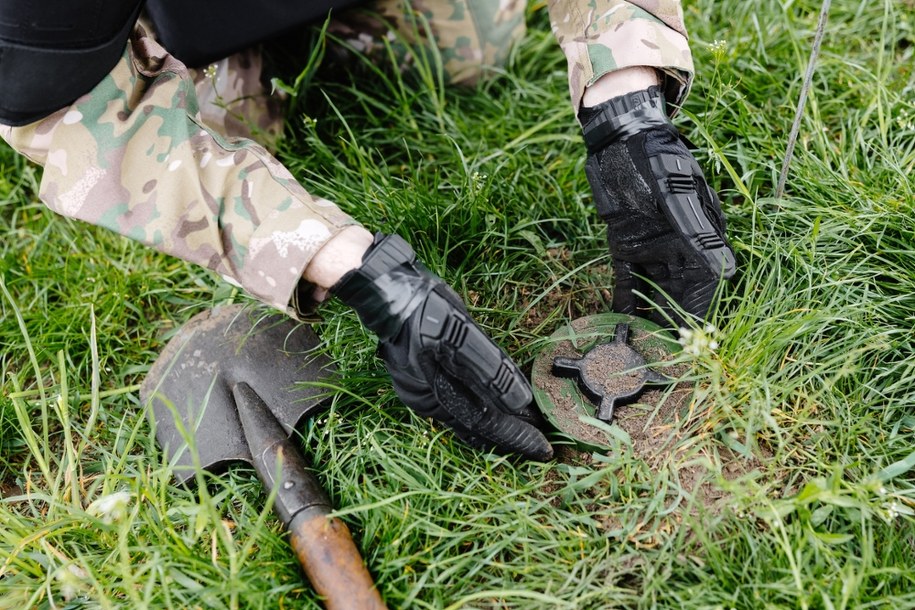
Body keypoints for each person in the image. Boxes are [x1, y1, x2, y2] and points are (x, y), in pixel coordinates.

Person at [0, 0, 733, 462]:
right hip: (161, 27)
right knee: (229, 124)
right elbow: (62, 111)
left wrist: (625, 105)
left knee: (470, 52)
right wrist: (355, 270)